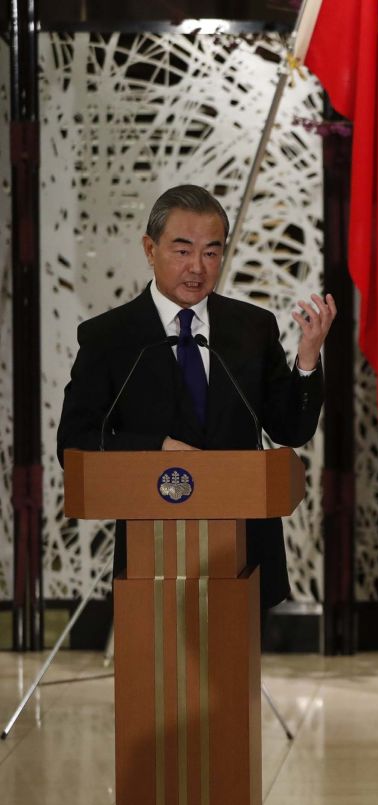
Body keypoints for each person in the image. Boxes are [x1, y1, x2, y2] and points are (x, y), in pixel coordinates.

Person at [56, 184, 337, 609]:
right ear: (150, 249)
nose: (198, 267)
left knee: (232, 669)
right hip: (153, 546)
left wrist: (308, 358)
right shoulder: (109, 337)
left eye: (211, 252)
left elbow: (289, 428)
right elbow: (75, 441)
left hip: (243, 546)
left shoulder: (251, 328)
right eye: (182, 250)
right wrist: (158, 449)